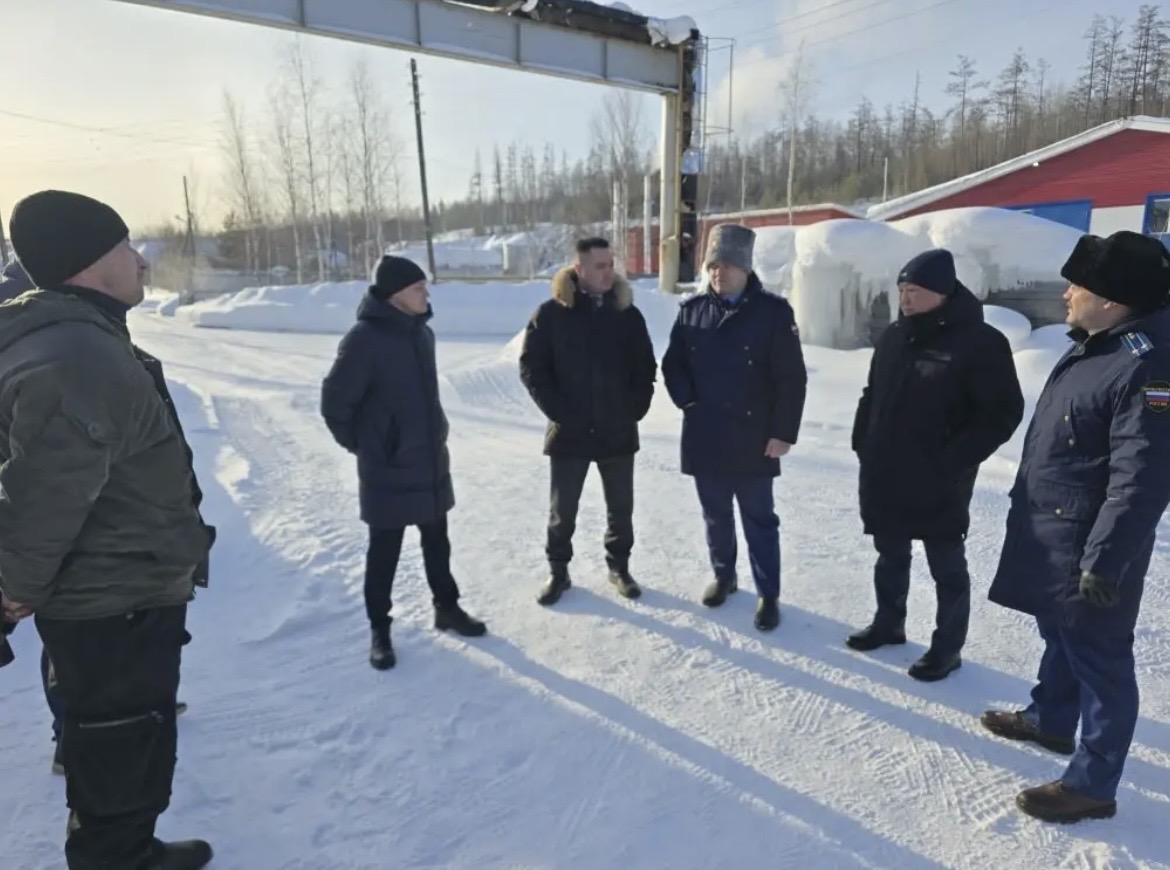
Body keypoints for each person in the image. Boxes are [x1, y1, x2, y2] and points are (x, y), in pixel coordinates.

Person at [0, 189, 214, 869]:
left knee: (132, 741)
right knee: (118, 747)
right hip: (111, 602)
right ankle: (117, 858)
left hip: (122, 591)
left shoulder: (77, 337)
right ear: (90, 263)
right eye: (127, 246)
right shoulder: (77, 359)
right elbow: (44, 500)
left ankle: (134, 848)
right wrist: (11, 595)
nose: (143, 261)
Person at [982, 230, 1170, 823]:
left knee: (1101, 658)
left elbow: (1142, 476)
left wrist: (1105, 560)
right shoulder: (1098, 343)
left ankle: (1093, 782)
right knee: (1060, 632)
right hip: (1055, 529)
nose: (1066, 294)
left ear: (1112, 299)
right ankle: (1051, 719)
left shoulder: (1146, 364)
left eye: (1077, 285)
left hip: (1091, 542)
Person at [847, 249, 1024, 681]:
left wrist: (952, 461)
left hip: (939, 478)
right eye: (902, 291)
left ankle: (947, 648)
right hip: (886, 469)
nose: (905, 300)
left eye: (915, 292)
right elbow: (873, 393)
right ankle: (889, 624)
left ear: (942, 294)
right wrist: (862, 440)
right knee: (889, 554)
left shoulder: (980, 343)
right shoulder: (893, 336)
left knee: (945, 564)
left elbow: (1002, 413)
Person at [321, 254, 487, 671]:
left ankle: (446, 608)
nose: (426, 293)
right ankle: (380, 629)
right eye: (418, 288)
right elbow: (334, 405)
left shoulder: (421, 334)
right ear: (396, 295)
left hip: (428, 460)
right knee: (385, 552)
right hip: (389, 469)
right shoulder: (364, 339)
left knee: (437, 542)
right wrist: (370, 447)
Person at [661, 223, 807, 632]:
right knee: (715, 515)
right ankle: (724, 576)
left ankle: (768, 593)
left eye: (726, 266)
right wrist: (687, 400)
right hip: (705, 433)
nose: (718, 274)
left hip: (755, 437)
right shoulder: (692, 312)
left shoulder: (773, 313)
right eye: (712, 266)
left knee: (759, 519)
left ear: (745, 268)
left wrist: (783, 432)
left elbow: (791, 379)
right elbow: (673, 365)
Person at [519, 237, 658, 605]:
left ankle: (619, 567)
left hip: (617, 431)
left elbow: (645, 367)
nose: (608, 272)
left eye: (611, 264)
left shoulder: (627, 313)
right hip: (571, 433)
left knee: (621, 509)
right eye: (600, 266)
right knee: (562, 511)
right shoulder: (550, 315)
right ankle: (559, 572)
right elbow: (532, 368)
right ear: (578, 269)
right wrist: (559, 412)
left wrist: (635, 408)